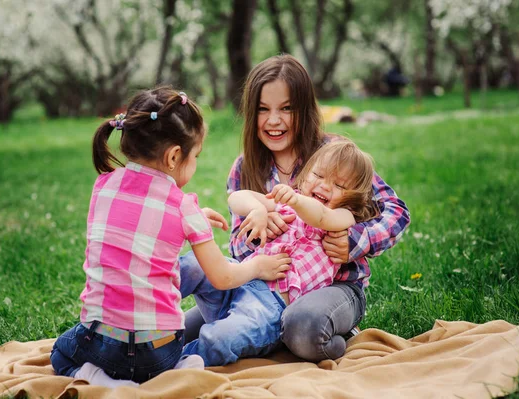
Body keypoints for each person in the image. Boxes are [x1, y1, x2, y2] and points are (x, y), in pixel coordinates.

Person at [50, 87, 291, 387]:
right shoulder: (182, 207)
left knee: (61, 353)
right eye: (196, 156)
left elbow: (135, 225)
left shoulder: (103, 186)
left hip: (101, 342)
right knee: (151, 352)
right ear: (174, 156)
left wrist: (193, 219)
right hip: (159, 351)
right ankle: (174, 367)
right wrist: (258, 266)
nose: (196, 162)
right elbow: (222, 278)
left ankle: (100, 379)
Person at [182, 54, 410, 362]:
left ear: (304, 109)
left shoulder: (334, 155)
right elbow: (237, 245)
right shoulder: (246, 167)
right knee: (183, 329)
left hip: (332, 287)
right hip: (257, 287)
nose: (273, 120)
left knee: (303, 327)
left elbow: (395, 211)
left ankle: (321, 332)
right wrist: (259, 225)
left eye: (286, 109)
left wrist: (355, 240)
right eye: (263, 109)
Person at [182, 140, 381, 366]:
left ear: (353, 201)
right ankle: (143, 299)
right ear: (305, 176)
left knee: (220, 337)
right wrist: (258, 209)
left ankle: (179, 363)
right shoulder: (286, 204)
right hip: (240, 278)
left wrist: (297, 200)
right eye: (318, 175)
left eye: (339, 185)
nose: (325, 186)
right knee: (193, 265)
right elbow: (236, 198)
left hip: (268, 308)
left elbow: (320, 216)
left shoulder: (342, 218)